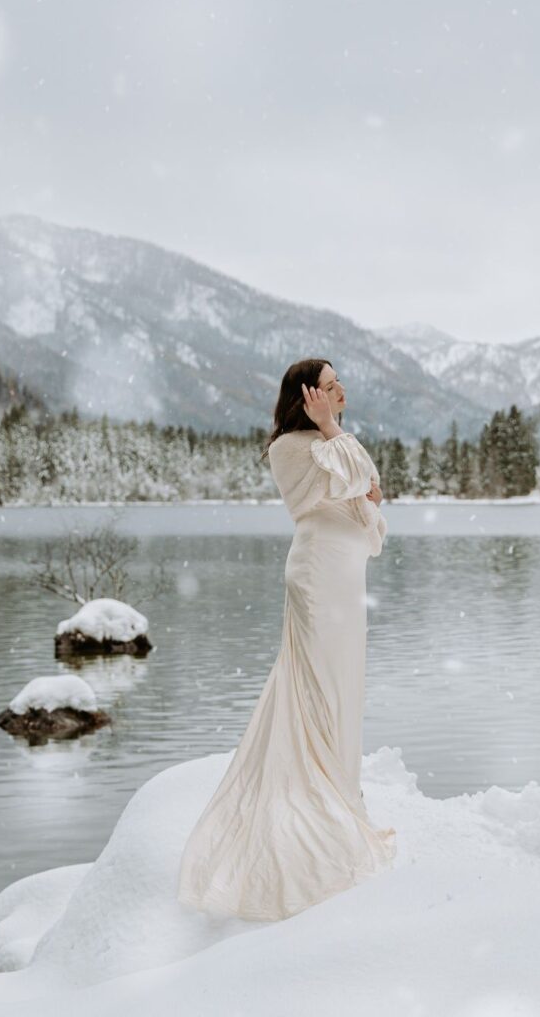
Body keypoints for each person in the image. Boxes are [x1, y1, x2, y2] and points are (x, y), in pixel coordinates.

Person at [176, 358, 396, 921]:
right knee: (318, 687)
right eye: (328, 385)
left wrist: (353, 469)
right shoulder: (292, 447)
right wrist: (334, 436)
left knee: (345, 688)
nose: (340, 390)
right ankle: (312, 809)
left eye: (338, 381)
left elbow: (370, 492)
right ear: (306, 396)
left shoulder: (330, 441)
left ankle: (342, 795)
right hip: (319, 578)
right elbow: (352, 481)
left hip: (347, 583)